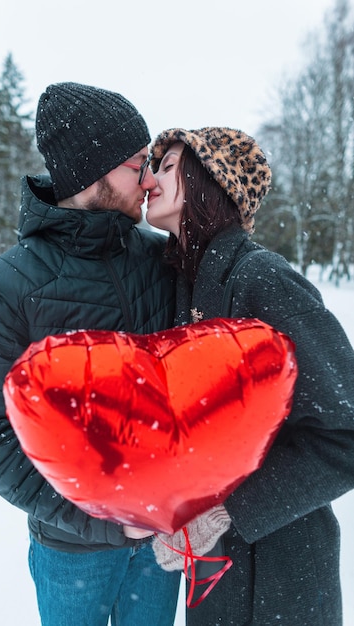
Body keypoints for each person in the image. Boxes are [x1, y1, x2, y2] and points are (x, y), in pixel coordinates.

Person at [0, 82, 180, 626]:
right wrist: (96, 522)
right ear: (92, 174)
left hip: (162, 545)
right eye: (137, 165)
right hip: (70, 552)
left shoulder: (161, 259)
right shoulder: (4, 289)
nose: (149, 179)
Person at [146, 127, 354, 625]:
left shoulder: (263, 279)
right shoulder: (183, 284)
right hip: (217, 576)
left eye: (169, 166)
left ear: (208, 181)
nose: (151, 178)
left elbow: (343, 434)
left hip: (281, 575)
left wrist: (226, 513)